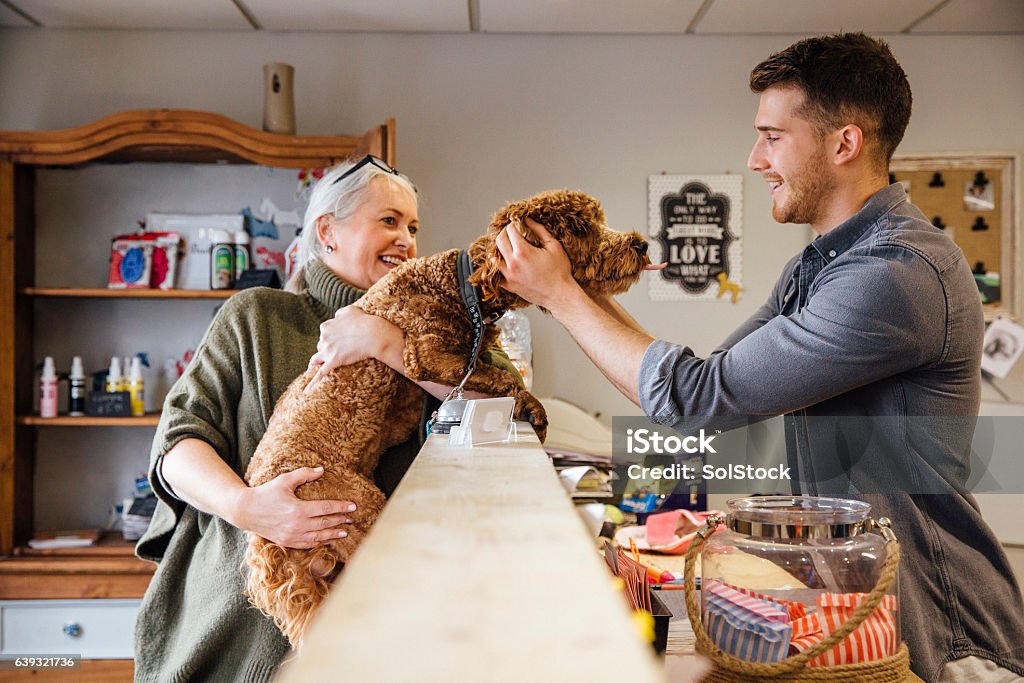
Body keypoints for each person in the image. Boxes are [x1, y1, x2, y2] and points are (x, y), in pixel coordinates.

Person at [494, 33, 1024, 682]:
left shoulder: (895, 275)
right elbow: (711, 380)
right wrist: (578, 292)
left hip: (943, 640)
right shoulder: (821, 265)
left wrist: (562, 295)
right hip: (854, 620)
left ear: (843, 144)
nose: (754, 158)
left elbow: (695, 401)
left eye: (772, 137)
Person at [134, 156, 519, 682]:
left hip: (390, 617)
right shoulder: (257, 317)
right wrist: (249, 508)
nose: (406, 239)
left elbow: (506, 411)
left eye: (412, 227)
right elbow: (178, 443)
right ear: (327, 231)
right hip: (243, 617)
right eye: (388, 221)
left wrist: (386, 344)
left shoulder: (436, 332)